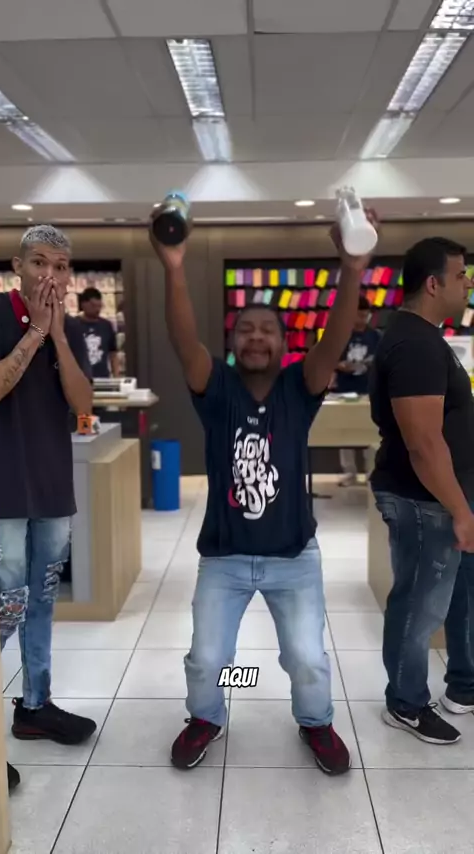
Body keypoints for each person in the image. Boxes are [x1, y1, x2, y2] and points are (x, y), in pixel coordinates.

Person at [150, 211, 378, 776]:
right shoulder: (216, 388)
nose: (256, 336)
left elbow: (336, 338)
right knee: (207, 658)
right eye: (246, 329)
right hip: (224, 558)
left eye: (267, 330)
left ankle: (315, 722)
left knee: (306, 658)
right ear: (232, 342)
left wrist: (352, 268)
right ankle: (205, 717)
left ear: (284, 341)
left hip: (293, 557)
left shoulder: (301, 387)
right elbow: (183, 341)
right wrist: (174, 268)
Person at [0, 225, 97, 793]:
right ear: (17, 267)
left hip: (53, 488)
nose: (50, 276)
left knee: (42, 601)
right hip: (4, 488)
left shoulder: (71, 328)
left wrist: (56, 335)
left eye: (60, 267)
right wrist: (34, 333)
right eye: (39, 263)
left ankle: (35, 706)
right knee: (3, 611)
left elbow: (83, 406)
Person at [369, 236, 474, 746]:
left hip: (437, 496)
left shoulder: (424, 337)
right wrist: (459, 508)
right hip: (423, 499)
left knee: (445, 596)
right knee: (419, 605)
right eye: (461, 275)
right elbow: (423, 443)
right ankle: (406, 703)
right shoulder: (415, 344)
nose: (467, 284)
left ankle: (457, 687)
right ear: (433, 284)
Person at [335, 295, 380, 485]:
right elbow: (332, 358)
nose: (362, 319)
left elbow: (382, 360)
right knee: (345, 432)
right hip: (345, 390)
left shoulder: (375, 336)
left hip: (368, 390)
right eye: (359, 315)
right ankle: (349, 472)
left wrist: (371, 364)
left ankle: (372, 472)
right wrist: (341, 365)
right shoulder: (341, 335)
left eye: (365, 315)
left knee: (370, 431)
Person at [77, 287, 119, 378]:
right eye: (93, 306)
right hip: (80, 377)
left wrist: (116, 377)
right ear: (83, 304)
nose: (97, 309)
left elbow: (113, 353)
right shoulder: (74, 325)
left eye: (99, 306)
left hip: (102, 378)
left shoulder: (106, 325)